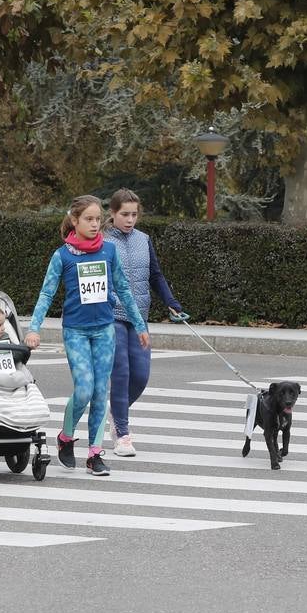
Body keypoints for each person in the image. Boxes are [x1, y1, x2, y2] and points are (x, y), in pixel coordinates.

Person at [24, 195, 148, 476]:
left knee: (100, 392)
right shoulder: (63, 255)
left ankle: (95, 453)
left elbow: (124, 290)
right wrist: (33, 328)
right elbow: (47, 292)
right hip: (76, 331)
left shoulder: (108, 251)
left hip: (104, 330)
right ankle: (66, 437)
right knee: (84, 389)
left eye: (97, 219)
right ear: (75, 221)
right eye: (88, 220)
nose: (95, 225)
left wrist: (139, 325)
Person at [102, 189, 185, 457]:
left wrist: (172, 302)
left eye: (134, 214)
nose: (129, 220)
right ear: (112, 213)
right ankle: (122, 435)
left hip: (140, 317)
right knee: (121, 373)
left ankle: (116, 412)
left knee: (140, 376)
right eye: (124, 214)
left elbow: (155, 275)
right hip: (112, 315)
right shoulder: (101, 241)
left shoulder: (143, 239)